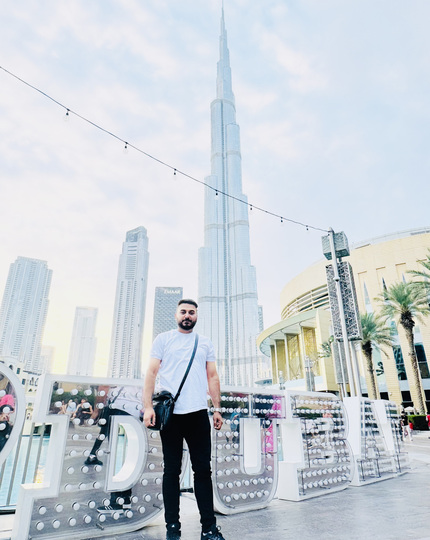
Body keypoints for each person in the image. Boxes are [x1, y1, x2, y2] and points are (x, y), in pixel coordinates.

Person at [144, 299, 226, 540]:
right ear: (176, 315)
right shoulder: (163, 339)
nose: (187, 315)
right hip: (171, 416)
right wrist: (147, 407)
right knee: (171, 471)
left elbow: (213, 377)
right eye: (183, 312)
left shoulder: (204, 343)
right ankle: (172, 529)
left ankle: (209, 529)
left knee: (203, 471)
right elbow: (151, 372)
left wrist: (217, 409)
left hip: (198, 414)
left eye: (191, 312)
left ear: (196, 316)